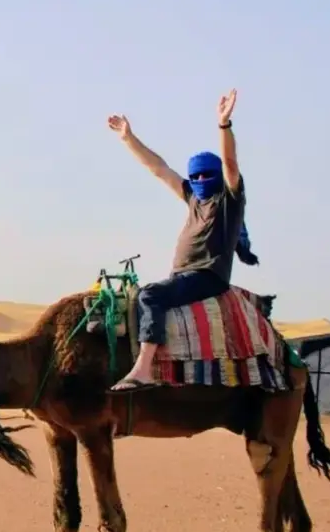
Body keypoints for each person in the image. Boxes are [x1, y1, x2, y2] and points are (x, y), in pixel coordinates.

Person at [107, 88, 258, 392]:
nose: (201, 181)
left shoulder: (229, 201)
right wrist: (128, 138)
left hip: (207, 276)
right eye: (196, 176)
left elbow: (230, 164)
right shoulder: (192, 198)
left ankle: (144, 369)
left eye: (206, 175)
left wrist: (224, 125)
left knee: (150, 296)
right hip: (183, 275)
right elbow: (159, 169)